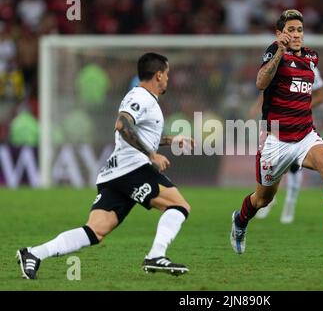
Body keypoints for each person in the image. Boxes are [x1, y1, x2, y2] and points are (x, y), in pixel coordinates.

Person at [17, 52, 195, 279]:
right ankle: (155, 255)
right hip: (133, 169)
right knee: (179, 206)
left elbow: (139, 132)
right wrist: (151, 154)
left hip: (116, 173)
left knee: (95, 230)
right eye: (167, 74)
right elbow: (122, 124)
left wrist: (171, 140)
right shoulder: (141, 97)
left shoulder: (146, 101)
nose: (168, 79)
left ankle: (34, 253)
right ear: (158, 75)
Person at [230, 9, 323, 254]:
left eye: (299, 30)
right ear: (280, 33)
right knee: (262, 199)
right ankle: (240, 220)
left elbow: (315, 93)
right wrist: (280, 51)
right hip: (275, 140)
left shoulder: (312, 58)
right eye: (291, 30)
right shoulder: (273, 53)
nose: (297, 34)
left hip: (304, 135)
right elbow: (260, 83)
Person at [251, 67, 323, 223]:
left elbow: (321, 96)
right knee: (267, 159)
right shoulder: (277, 62)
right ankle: (268, 199)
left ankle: (290, 203)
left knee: (293, 163)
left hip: (297, 123)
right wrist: (257, 105)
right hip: (272, 120)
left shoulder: (310, 67)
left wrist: (298, 107)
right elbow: (267, 88)